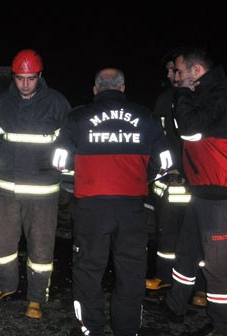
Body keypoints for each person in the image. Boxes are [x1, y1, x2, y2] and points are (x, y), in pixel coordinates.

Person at [52, 68, 172, 335]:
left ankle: (91, 329)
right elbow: (165, 163)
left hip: (92, 207)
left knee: (88, 270)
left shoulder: (78, 117)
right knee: (131, 271)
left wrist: (85, 173)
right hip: (131, 207)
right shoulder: (146, 116)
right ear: (122, 88)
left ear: (95, 90)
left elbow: (59, 161)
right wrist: (141, 176)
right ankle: (126, 329)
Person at [0, 49, 71, 319]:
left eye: (31, 78)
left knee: (41, 248)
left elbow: (67, 147)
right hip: (7, 191)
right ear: (14, 76)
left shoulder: (56, 104)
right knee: (1, 245)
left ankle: (36, 298)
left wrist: (66, 184)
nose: (25, 84)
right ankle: (4, 286)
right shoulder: (2, 104)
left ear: (40, 76)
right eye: (20, 78)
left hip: (43, 194)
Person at [170, 46, 227, 336]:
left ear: (196, 70)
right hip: (201, 189)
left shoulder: (216, 93)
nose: (175, 77)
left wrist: (182, 93)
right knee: (187, 251)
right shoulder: (204, 92)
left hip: (218, 193)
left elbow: (190, 130)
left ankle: (221, 322)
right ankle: (176, 306)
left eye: (178, 71)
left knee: (217, 265)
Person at [147, 47, 207, 309]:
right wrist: (164, 170)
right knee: (167, 232)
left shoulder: (203, 101)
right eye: (170, 71)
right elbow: (159, 140)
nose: (171, 74)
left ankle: (202, 287)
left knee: (201, 236)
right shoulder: (164, 100)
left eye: (175, 70)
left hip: (198, 182)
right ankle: (164, 276)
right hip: (169, 180)